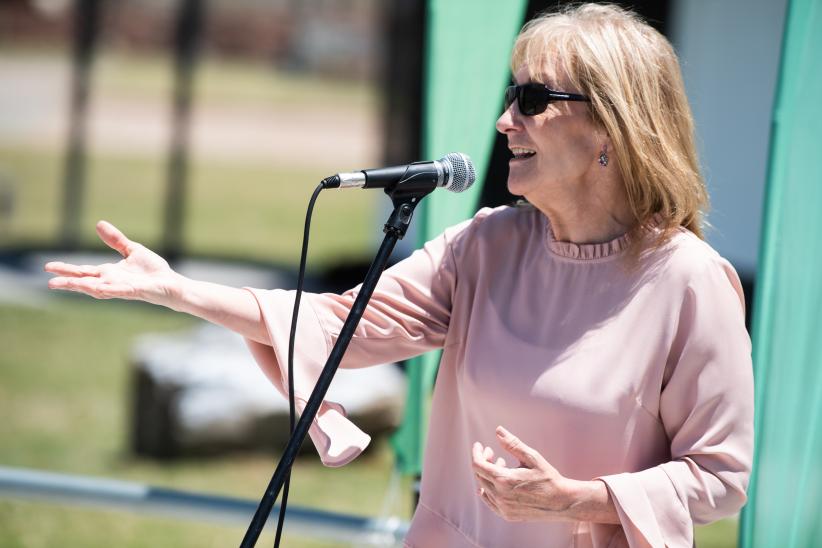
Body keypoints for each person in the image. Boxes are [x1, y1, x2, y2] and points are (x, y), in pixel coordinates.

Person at [45, 4, 753, 547]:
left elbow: (720, 476)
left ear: (611, 129)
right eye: (510, 97)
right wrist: (175, 289)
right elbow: (335, 324)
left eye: (533, 101)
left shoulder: (688, 282)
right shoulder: (486, 245)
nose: (506, 121)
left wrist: (577, 499)